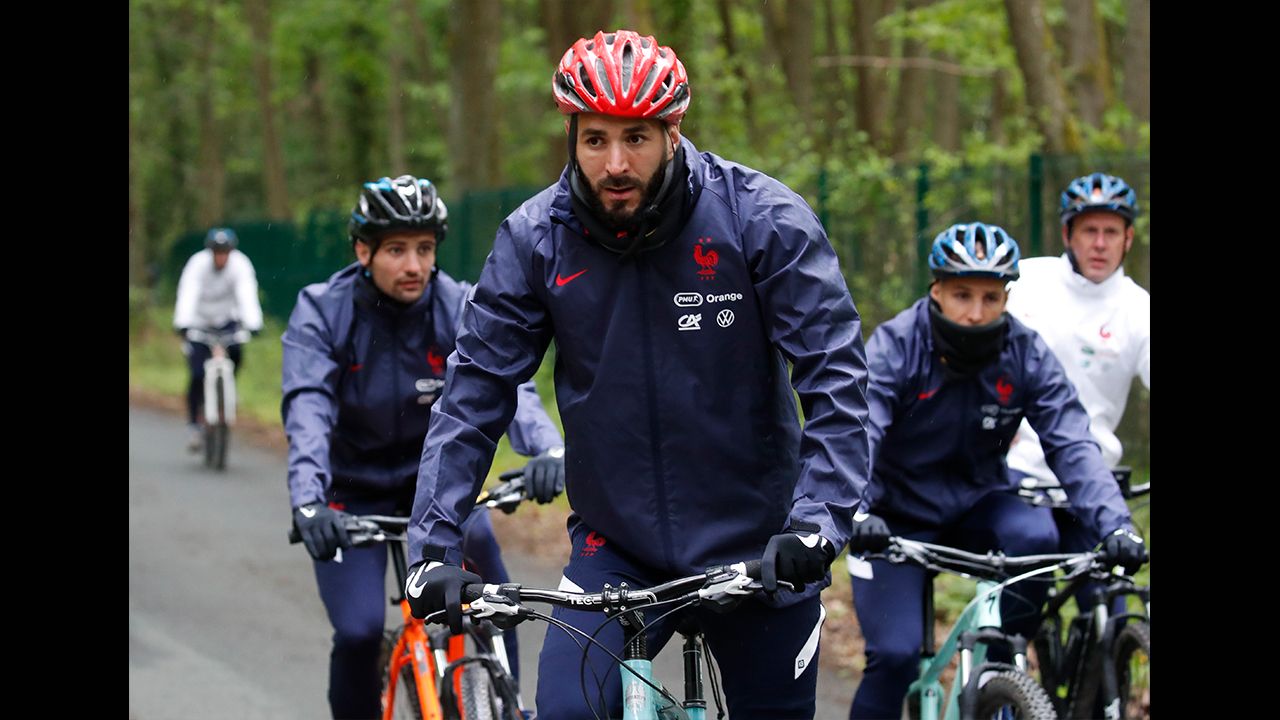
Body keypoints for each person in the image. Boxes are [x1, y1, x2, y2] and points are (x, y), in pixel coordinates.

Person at [402, 29, 871, 719]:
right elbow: (474, 396)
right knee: (563, 710)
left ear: (672, 134)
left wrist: (816, 524)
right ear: (572, 136)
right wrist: (434, 544)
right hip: (616, 549)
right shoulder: (536, 239)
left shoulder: (761, 220)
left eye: (636, 139)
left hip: (759, 548)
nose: (615, 163)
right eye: (596, 140)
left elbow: (836, 380)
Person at [281, 175, 565, 719]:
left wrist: (547, 450)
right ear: (363, 251)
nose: (414, 265)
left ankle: (511, 707)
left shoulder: (457, 304)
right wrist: (309, 499)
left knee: (493, 606)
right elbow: (307, 408)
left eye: (425, 249)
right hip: (350, 499)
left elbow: (505, 386)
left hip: (437, 493)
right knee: (361, 631)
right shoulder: (323, 311)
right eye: (396, 249)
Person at [844, 222, 1146, 719]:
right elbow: (861, 434)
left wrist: (1114, 522)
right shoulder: (898, 344)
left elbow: (1071, 442)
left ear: (1007, 298)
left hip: (977, 500)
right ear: (936, 290)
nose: (976, 312)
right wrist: (856, 511)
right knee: (894, 657)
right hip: (890, 516)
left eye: (991, 297)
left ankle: (1004, 668)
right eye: (962, 294)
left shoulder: (1023, 353)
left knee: (1036, 534)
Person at [1004, 172, 1149, 612]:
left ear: (1128, 239)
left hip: (1092, 484)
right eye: (1090, 230)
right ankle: (1006, 675)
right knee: (1017, 608)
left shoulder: (1139, 310)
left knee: (1115, 612)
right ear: (1068, 233)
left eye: (1111, 232)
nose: (1100, 244)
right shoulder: (1024, 281)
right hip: (1019, 478)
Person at [173, 227, 264, 452]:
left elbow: (247, 293)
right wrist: (183, 322)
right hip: (199, 321)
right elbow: (188, 293)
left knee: (237, 355)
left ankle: (227, 392)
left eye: (225, 252)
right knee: (196, 374)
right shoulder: (197, 264)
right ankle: (195, 425)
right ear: (210, 252)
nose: (221, 257)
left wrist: (253, 322)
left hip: (227, 321)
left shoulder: (240, 265)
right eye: (217, 252)